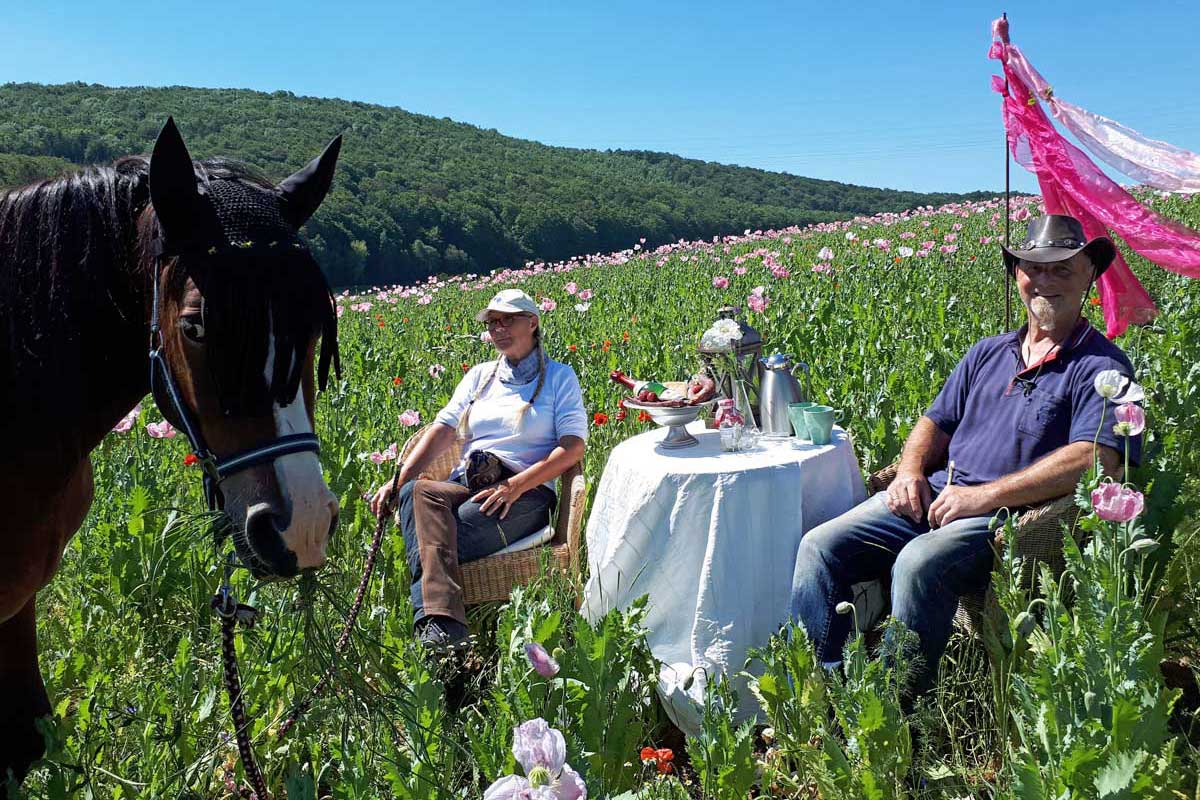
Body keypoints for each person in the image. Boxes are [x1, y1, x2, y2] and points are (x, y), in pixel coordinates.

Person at [790, 214, 1142, 695]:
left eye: (1062, 269)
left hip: (1009, 519)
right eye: (1033, 267)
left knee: (918, 561)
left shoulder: (1105, 367)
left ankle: (898, 716)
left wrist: (981, 498)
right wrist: (911, 471)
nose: (1044, 280)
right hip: (935, 497)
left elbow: (1099, 459)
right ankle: (821, 693)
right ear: (1017, 274)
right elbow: (934, 422)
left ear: (1089, 276)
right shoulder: (986, 353)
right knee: (819, 546)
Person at [369, 289, 587, 649]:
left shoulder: (561, 378)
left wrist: (514, 486)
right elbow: (443, 430)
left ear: (533, 322)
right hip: (470, 484)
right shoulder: (480, 376)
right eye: (492, 322)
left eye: (507, 320)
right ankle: (444, 628)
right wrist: (397, 480)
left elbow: (572, 447)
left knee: (437, 534)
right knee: (416, 492)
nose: (498, 329)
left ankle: (439, 632)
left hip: (526, 492)